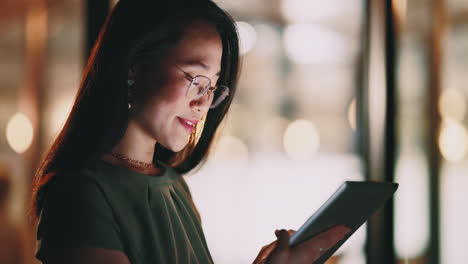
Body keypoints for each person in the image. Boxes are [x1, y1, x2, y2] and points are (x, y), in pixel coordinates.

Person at [29, 0, 350, 263]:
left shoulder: (173, 185)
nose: (203, 102)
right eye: (195, 78)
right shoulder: (82, 193)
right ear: (134, 67)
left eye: (212, 86)